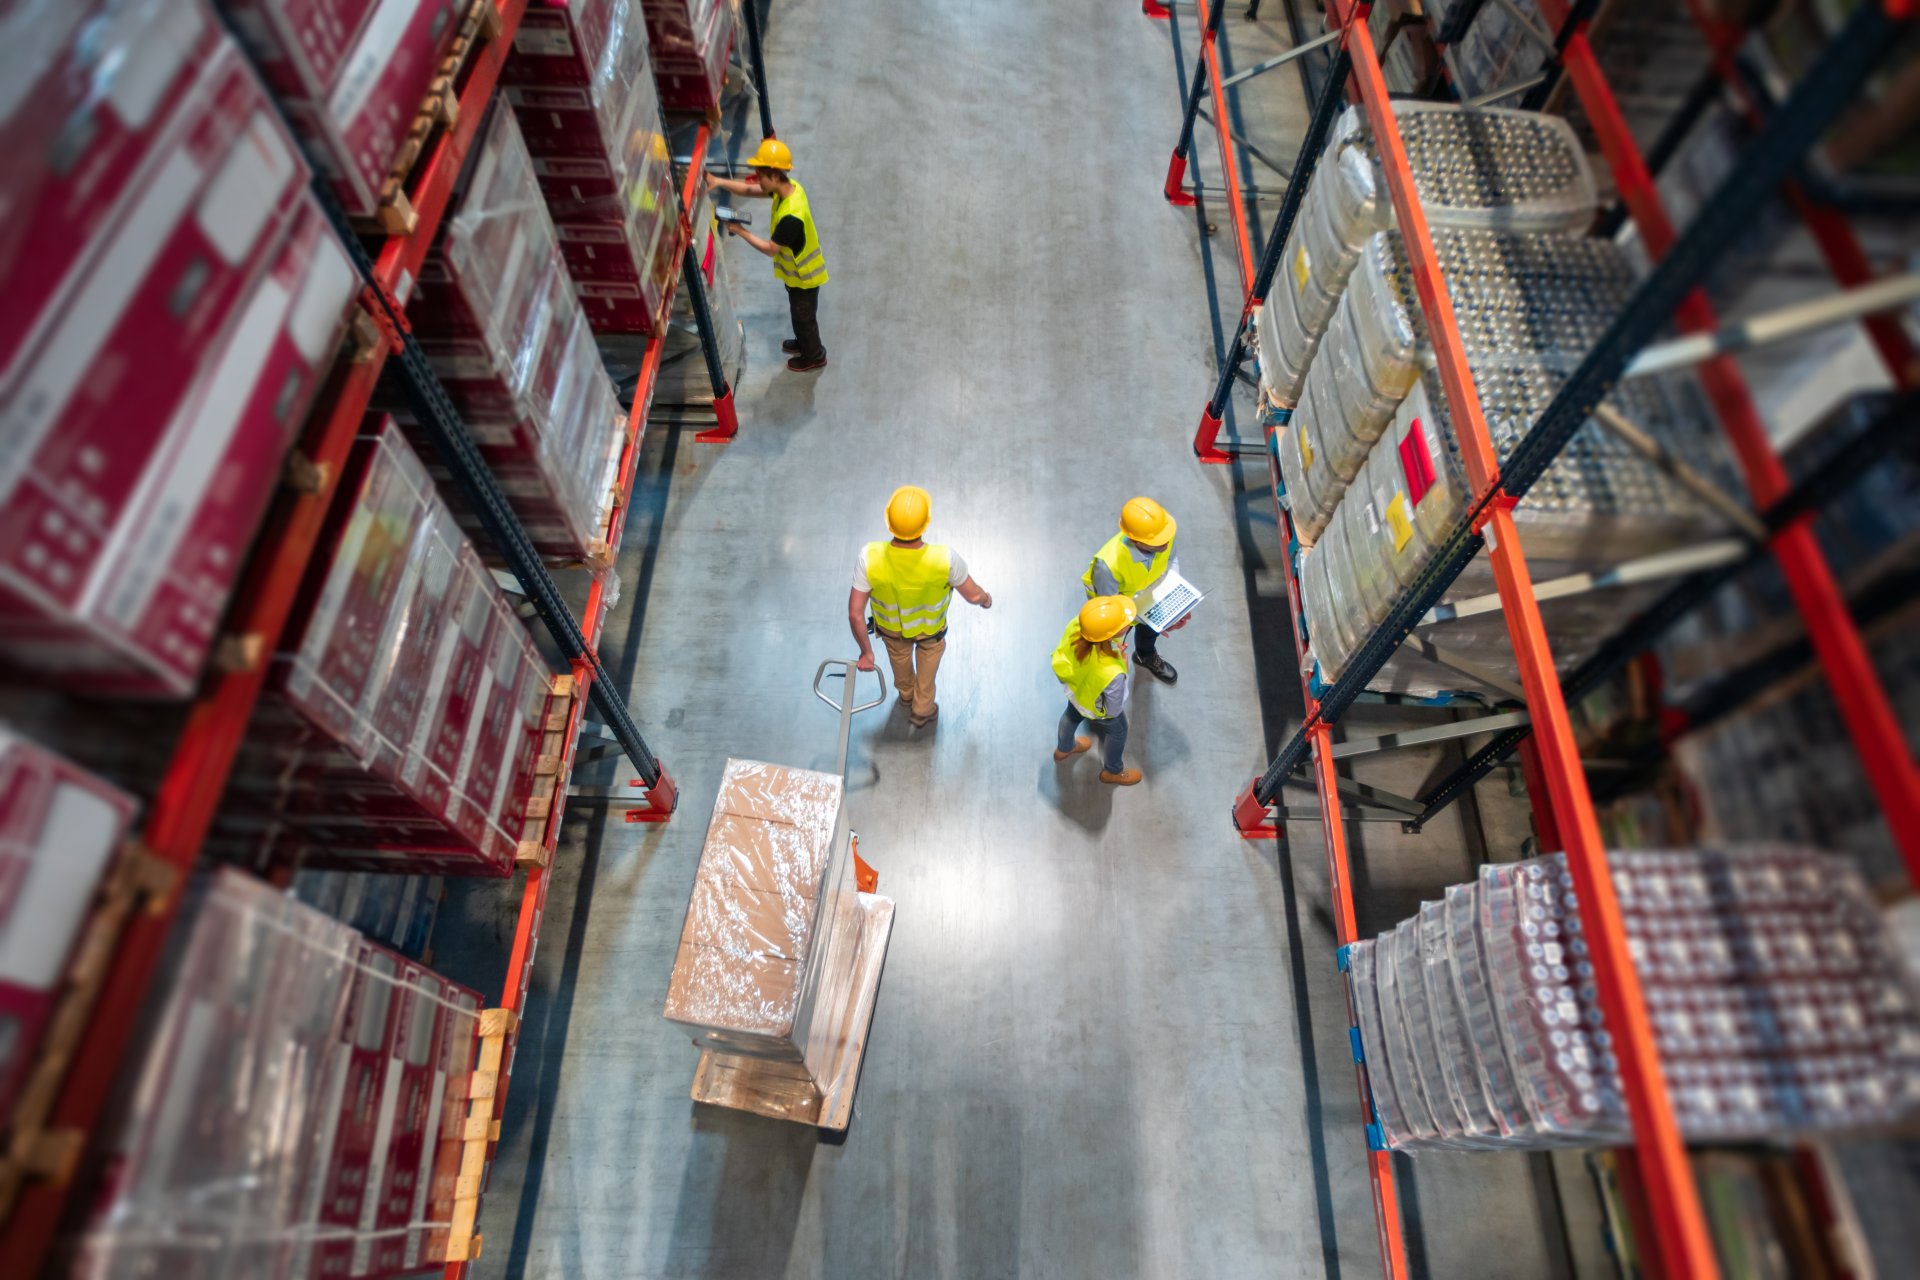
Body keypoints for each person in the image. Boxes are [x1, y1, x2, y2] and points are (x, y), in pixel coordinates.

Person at [849, 486, 992, 729]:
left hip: (892, 632)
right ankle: (922, 708)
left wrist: (866, 652)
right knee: (927, 668)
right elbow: (973, 595)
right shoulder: (945, 559)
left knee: (900, 663)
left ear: (889, 522)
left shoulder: (869, 557)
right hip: (930, 633)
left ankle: (906, 696)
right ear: (925, 524)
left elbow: (855, 614)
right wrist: (986, 599)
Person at [705, 137, 828, 372]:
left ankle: (814, 356)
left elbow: (770, 249)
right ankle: (804, 342)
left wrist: (740, 231)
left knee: (804, 318)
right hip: (796, 276)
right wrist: (717, 181)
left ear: (773, 174)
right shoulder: (789, 188)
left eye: (761, 176)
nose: (757, 180)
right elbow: (749, 190)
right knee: (799, 314)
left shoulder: (791, 216)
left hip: (805, 277)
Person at [1082, 495, 1186, 685]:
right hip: (1118, 617)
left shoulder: (1162, 535)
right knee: (1114, 651)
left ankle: (1145, 655)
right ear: (1136, 541)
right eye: (1158, 542)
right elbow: (1112, 612)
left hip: (1150, 603)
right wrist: (1151, 616)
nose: (1166, 543)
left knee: (1149, 633)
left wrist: (1170, 601)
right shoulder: (1107, 566)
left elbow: (1171, 561)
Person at [1050, 596, 1142, 786]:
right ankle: (1113, 771)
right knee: (1118, 731)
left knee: (1071, 716)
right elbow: (1114, 709)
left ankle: (1064, 748)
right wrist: (1123, 666)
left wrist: (1113, 651)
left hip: (1076, 692)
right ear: (1109, 635)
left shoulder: (1077, 625)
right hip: (1095, 704)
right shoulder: (1112, 672)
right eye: (1124, 623)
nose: (1129, 623)